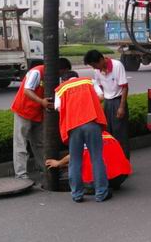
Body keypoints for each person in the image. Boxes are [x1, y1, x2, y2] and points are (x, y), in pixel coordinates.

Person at [10, 58, 72, 179]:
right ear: (59, 69)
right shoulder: (37, 72)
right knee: (21, 144)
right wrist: (41, 102)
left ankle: (44, 170)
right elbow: (27, 91)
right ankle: (21, 175)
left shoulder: (54, 77)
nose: (62, 75)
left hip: (38, 113)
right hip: (24, 111)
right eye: (63, 72)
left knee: (40, 143)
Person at [54, 71, 110, 203]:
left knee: (75, 160)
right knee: (96, 158)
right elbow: (101, 97)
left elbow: (57, 108)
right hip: (92, 123)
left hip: (73, 126)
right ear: (77, 77)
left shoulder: (61, 88)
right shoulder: (89, 81)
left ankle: (77, 194)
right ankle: (101, 193)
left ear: (64, 80)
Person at [45, 130, 131, 189]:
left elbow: (74, 155)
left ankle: (93, 188)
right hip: (122, 177)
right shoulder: (107, 134)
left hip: (103, 180)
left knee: (75, 172)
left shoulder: (85, 137)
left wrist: (58, 163)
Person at [83, 50, 130, 158]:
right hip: (107, 103)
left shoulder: (117, 65)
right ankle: (113, 163)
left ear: (101, 60)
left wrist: (121, 107)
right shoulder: (97, 71)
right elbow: (100, 88)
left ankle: (124, 164)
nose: (94, 68)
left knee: (120, 135)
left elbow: (125, 87)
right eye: (92, 66)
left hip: (118, 101)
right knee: (108, 134)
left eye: (95, 65)